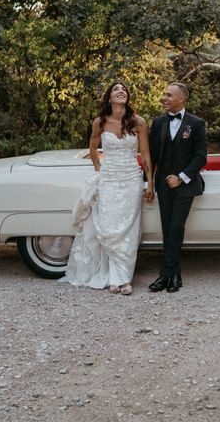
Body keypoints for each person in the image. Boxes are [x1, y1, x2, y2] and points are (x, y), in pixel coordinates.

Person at [60, 82, 154, 295]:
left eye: (124, 89)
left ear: (127, 97)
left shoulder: (138, 122)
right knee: (109, 227)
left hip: (131, 179)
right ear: (109, 97)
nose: (121, 91)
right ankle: (112, 276)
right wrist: (99, 170)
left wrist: (149, 182)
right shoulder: (100, 122)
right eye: (116, 89)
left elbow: (146, 155)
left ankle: (124, 278)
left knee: (128, 229)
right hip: (109, 179)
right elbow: (93, 148)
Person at [148, 82, 208, 293]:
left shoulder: (197, 123)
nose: (164, 98)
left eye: (168, 95)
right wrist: (149, 182)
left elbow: (201, 156)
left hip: (185, 185)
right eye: (164, 94)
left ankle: (167, 274)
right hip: (163, 184)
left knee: (175, 227)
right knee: (167, 228)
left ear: (181, 99)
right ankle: (173, 276)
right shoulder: (157, 123)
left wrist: (181, 177)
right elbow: (152, 156)